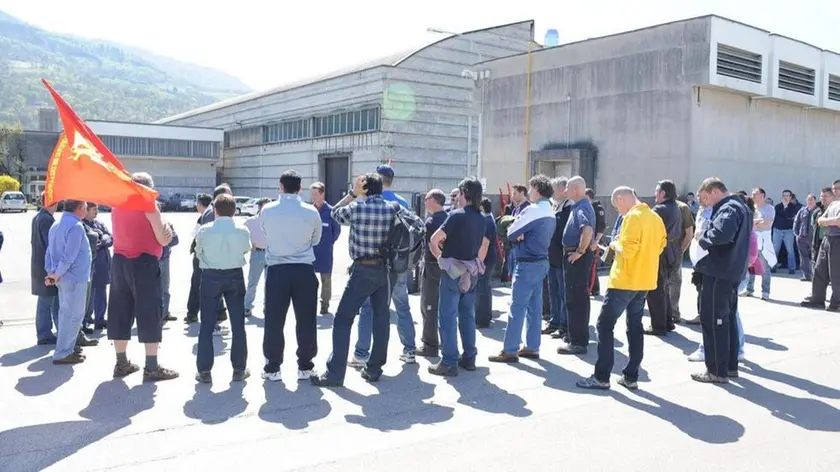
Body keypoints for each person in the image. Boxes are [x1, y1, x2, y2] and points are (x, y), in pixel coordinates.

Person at [312, 172, 422, 387]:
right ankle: (374, 369)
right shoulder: (394, 208)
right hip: (385, 269)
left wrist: (353, 193)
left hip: (362, 270)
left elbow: (334, 213)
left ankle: (335, 373)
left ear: (364, 189)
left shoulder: (356, 208)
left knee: (343, 319)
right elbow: (417, 224)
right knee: (381, 320)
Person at [576, 186, 666, 389]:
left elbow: (627, 250)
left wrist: (614, 245)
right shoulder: (654, 217)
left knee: (604, 325)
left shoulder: (632, 218)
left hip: (625, 280)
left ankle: (601, 376)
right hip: (645, 280)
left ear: (621, 198)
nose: (618, 211)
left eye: (617, 207)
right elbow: (661, 245)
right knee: (635, 326)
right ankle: (631, 376)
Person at [108, 172, 177, 381]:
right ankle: (152, 367)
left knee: (120, 311)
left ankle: (121, 363)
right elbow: (163, 239)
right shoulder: (148, 205)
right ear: (148, 188)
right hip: (144, 263)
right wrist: (168, 230)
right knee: (149, 312)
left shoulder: (117, 203)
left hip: (119, 261)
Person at [351, 165, 418, 366]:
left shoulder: (366, 202)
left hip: (373, 264)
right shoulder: (402, 202)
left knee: (368, 308)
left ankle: (361, 353)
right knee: (402, 307)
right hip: (398, 265)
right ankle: (409, 349)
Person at [259, 171, 323, 382]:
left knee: (274, 320)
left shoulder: (267, 210)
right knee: (306, 319)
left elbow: (265, 234)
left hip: (277, 269)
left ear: (280, 186)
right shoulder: (311, 211)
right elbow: (316, 240)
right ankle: (305, 366)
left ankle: (272, 367)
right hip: (303, 269)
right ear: (300, 188)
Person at [489, 175, 555, 363]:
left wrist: (519, 233)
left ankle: (510, 349)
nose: (529, 191)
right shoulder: (549, 209)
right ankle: (532, 347)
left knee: (517, 307)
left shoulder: (532, 210)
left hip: (527, 262)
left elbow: (511, 232)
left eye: (531, 188)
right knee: (534, 307)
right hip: (542, 261)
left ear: (536, 189)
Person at [692, 177, 752, 384]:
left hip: (719, 271)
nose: (706, 203)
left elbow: (721, 234)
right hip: (729, 271)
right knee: (727, 320)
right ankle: (729, 367)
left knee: (713, 320)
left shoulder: (729, 208)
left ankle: (716, 370)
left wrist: (702, 236)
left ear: (715, 191)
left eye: (706, 198)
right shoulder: (740, 206)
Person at [429, 177, 490, 376]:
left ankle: (448, 361)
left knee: (447, 316)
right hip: (471, 271)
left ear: (463, 193)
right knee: (467, 315)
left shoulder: (455, 215)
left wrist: (440, 258)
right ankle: (469, 357)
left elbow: (434, 239)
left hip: (453, 271)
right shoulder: (483, 218)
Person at [194, 194, 252, 383]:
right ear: (234, 211)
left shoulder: (204, 230)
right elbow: (246, 249)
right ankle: (239, 368)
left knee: (207, 325)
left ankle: (204, 370)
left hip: (211, 275)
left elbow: (198, 251)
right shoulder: (242, 230)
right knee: (238, 324)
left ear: (215, 210)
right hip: (234, 274)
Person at [45, 200, 92, 364]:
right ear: (79, 209)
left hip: (63, 277)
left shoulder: (56, 224)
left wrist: (51, 273)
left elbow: (49, 253)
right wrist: (56, 274)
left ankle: (65, 349)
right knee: (73, 316)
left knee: (66, 314)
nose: (87, 210)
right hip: (74, 278)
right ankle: (64, 352)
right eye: (85, 207)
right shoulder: (76, 226)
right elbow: (69, 256)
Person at [557, 176, 595, 355]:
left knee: (576, 300)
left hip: (576, 258)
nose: (565, 192)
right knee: (578, 298)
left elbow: (587, 229)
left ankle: (578, 342)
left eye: (568, 188)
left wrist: (579, 251)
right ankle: (577, 338)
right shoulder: (580, 206)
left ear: (575, 190)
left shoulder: (582, 207)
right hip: (577, 256)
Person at [187, 188, 230, 326]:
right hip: (206, 256)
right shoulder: (213, 213)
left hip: (207, 255)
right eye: (228, 194)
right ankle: (198, 313)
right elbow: (204, 236)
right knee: (202, 284)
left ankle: (215, 312)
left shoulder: (213, 212)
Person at [645, 180, 682, 336]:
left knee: (655, 290)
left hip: (660, 252)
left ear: (663, 193)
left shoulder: (660, 209)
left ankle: (658, 326)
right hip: (672, 252)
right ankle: (667, 321)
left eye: (657, 190)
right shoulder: (675, 207)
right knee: (664, 288)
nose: (655, 194)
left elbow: (647, 228)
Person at [417, 189, 448, 357]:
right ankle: (444, 341)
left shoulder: (431, 222)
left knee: (428, 305)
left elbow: (429, 245)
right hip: (447, 266)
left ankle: (430, 344)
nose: (424, 202)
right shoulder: (450, 218)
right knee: (444, 305)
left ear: (435, 201)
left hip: (432, 265)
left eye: (426, 198)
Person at [802, 180, 840, 311]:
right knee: (819, 270)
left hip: (837, 240)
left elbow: (839, 222)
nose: (834, 191)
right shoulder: (834, 204)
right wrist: (832, 221)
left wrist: (828, 221)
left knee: (836, 273)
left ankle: (836, 303)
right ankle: (817, 299)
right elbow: (820, 220)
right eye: (834, 188)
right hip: (827, 239)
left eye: (837, 188)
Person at [543, 177, 572, 338]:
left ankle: (563, 324)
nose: (552, 192)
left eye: (554, 189)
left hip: (562, 258)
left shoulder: (569, 209)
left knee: (562, 293)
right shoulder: (554, 207)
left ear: (563, 190)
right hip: (551, 257)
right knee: (552, 291)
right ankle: (554, 321)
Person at [31, 195, 59, 345]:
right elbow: (51, 245)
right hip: (46, 266)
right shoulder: (47, 219)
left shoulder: (37, 217)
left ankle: (46, 332)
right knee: (46, 301)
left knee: (46, 300)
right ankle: (44, 334)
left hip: (38, 264)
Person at [310, 182, 341, 315]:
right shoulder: (309, 211)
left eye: (315, 194)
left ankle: (325, 305)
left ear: (322, 194)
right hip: (309, 251)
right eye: (312, 194)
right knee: (309, 280)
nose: (313, 197)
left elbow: (336, 231)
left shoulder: (331, 211)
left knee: (326, 280)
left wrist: (328, 242)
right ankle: (309, 302)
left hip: (325, 251)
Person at [82, 203, 113, 331]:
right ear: (87, 210)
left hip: (103, 264)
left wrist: (102, 239)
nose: (97, 212)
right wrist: (99, 239)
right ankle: (85, 320)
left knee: (101, 292)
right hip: (90, 264)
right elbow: (91, 243)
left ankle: (100, 319)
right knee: (88, 295)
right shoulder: (82, 225)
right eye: (94, 210)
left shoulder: (99, 224)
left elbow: (110, 238)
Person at [185, 193, 213, 323]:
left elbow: (197, 235)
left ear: (200, 204)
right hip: (204, 255)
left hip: (202, 256)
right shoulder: (206, 215)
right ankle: (219, 312)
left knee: (197, 284)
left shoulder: (207, 216)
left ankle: (192, 313)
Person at [243, 197, 272, 317]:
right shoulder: (250, 221)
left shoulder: (274, 221)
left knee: (270, 284)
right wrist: (249, 246)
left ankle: (268, 308)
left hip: (271, 254)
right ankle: (247, 307)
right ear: (259, 207)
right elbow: (241, 234)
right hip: (257, 254)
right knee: (252, 282)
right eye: (264, 206)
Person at [745, 188, 775, 300]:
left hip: (763, 241)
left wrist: (754, 223)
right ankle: (749, 289)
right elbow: (748, 223)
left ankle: (765, 292)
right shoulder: (752, 208)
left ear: (762, 195)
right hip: (752, 240)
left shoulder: (769, 208)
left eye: (755, 194)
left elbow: (767, 224)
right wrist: (758, 222)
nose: (752, 196)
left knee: (764, 267)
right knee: (751, 265)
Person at [670, 198, 695, 323]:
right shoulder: (659, 207)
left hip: (675, 249)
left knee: (674, 281)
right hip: (661, 251)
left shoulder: (682, 208)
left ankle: (674, 312)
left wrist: (681, 250)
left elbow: (689, 233)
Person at [476, 197, 499, 328]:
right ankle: (486, 315)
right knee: (485, 287)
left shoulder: (486, 222)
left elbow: (484, 245)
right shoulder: (490, 219)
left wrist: (479, 262)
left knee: (482, 288)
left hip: (485, 259)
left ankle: (482, 320)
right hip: (489, 258)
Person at [773, 189, 802, 274]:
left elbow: (790, 219)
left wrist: (785, 209)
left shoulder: (793, 207)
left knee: (790, 250)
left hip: (788, 231)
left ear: (790, 197)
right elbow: (777, 219)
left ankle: (792, 268)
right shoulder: (777, 207)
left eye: (787, 196)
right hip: (777, 230)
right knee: (775, 249)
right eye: (784, 196)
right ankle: (773, 266)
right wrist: (785, 212)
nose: (786, 197)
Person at [585, 188, 606, 297]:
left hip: (594, 242)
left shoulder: (597, 208)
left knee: (592, 267)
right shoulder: (587, 207)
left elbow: (602, 226)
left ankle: (593, 289)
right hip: (587, 241)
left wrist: (596, 241)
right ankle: (593, 288)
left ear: (588, 196)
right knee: (589, 266)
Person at [793, 194, 818, 282]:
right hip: (802, 237)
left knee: (814, 256)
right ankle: (806, 275)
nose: (810, 201)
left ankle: (815, 275)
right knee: (803, 257)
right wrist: (796, 234)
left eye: (811, 199)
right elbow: (796, 222)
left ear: (815, 200)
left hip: (814, 238)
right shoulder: (802, 210)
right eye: (808, 200)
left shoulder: (818, 211)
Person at [160, 211, 179, 322]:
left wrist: (170, 230)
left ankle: (165, 313)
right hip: (151, 259)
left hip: (164, 258)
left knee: (165, 287)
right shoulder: (146, 224)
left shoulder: (165, 224)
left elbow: (175, 240)